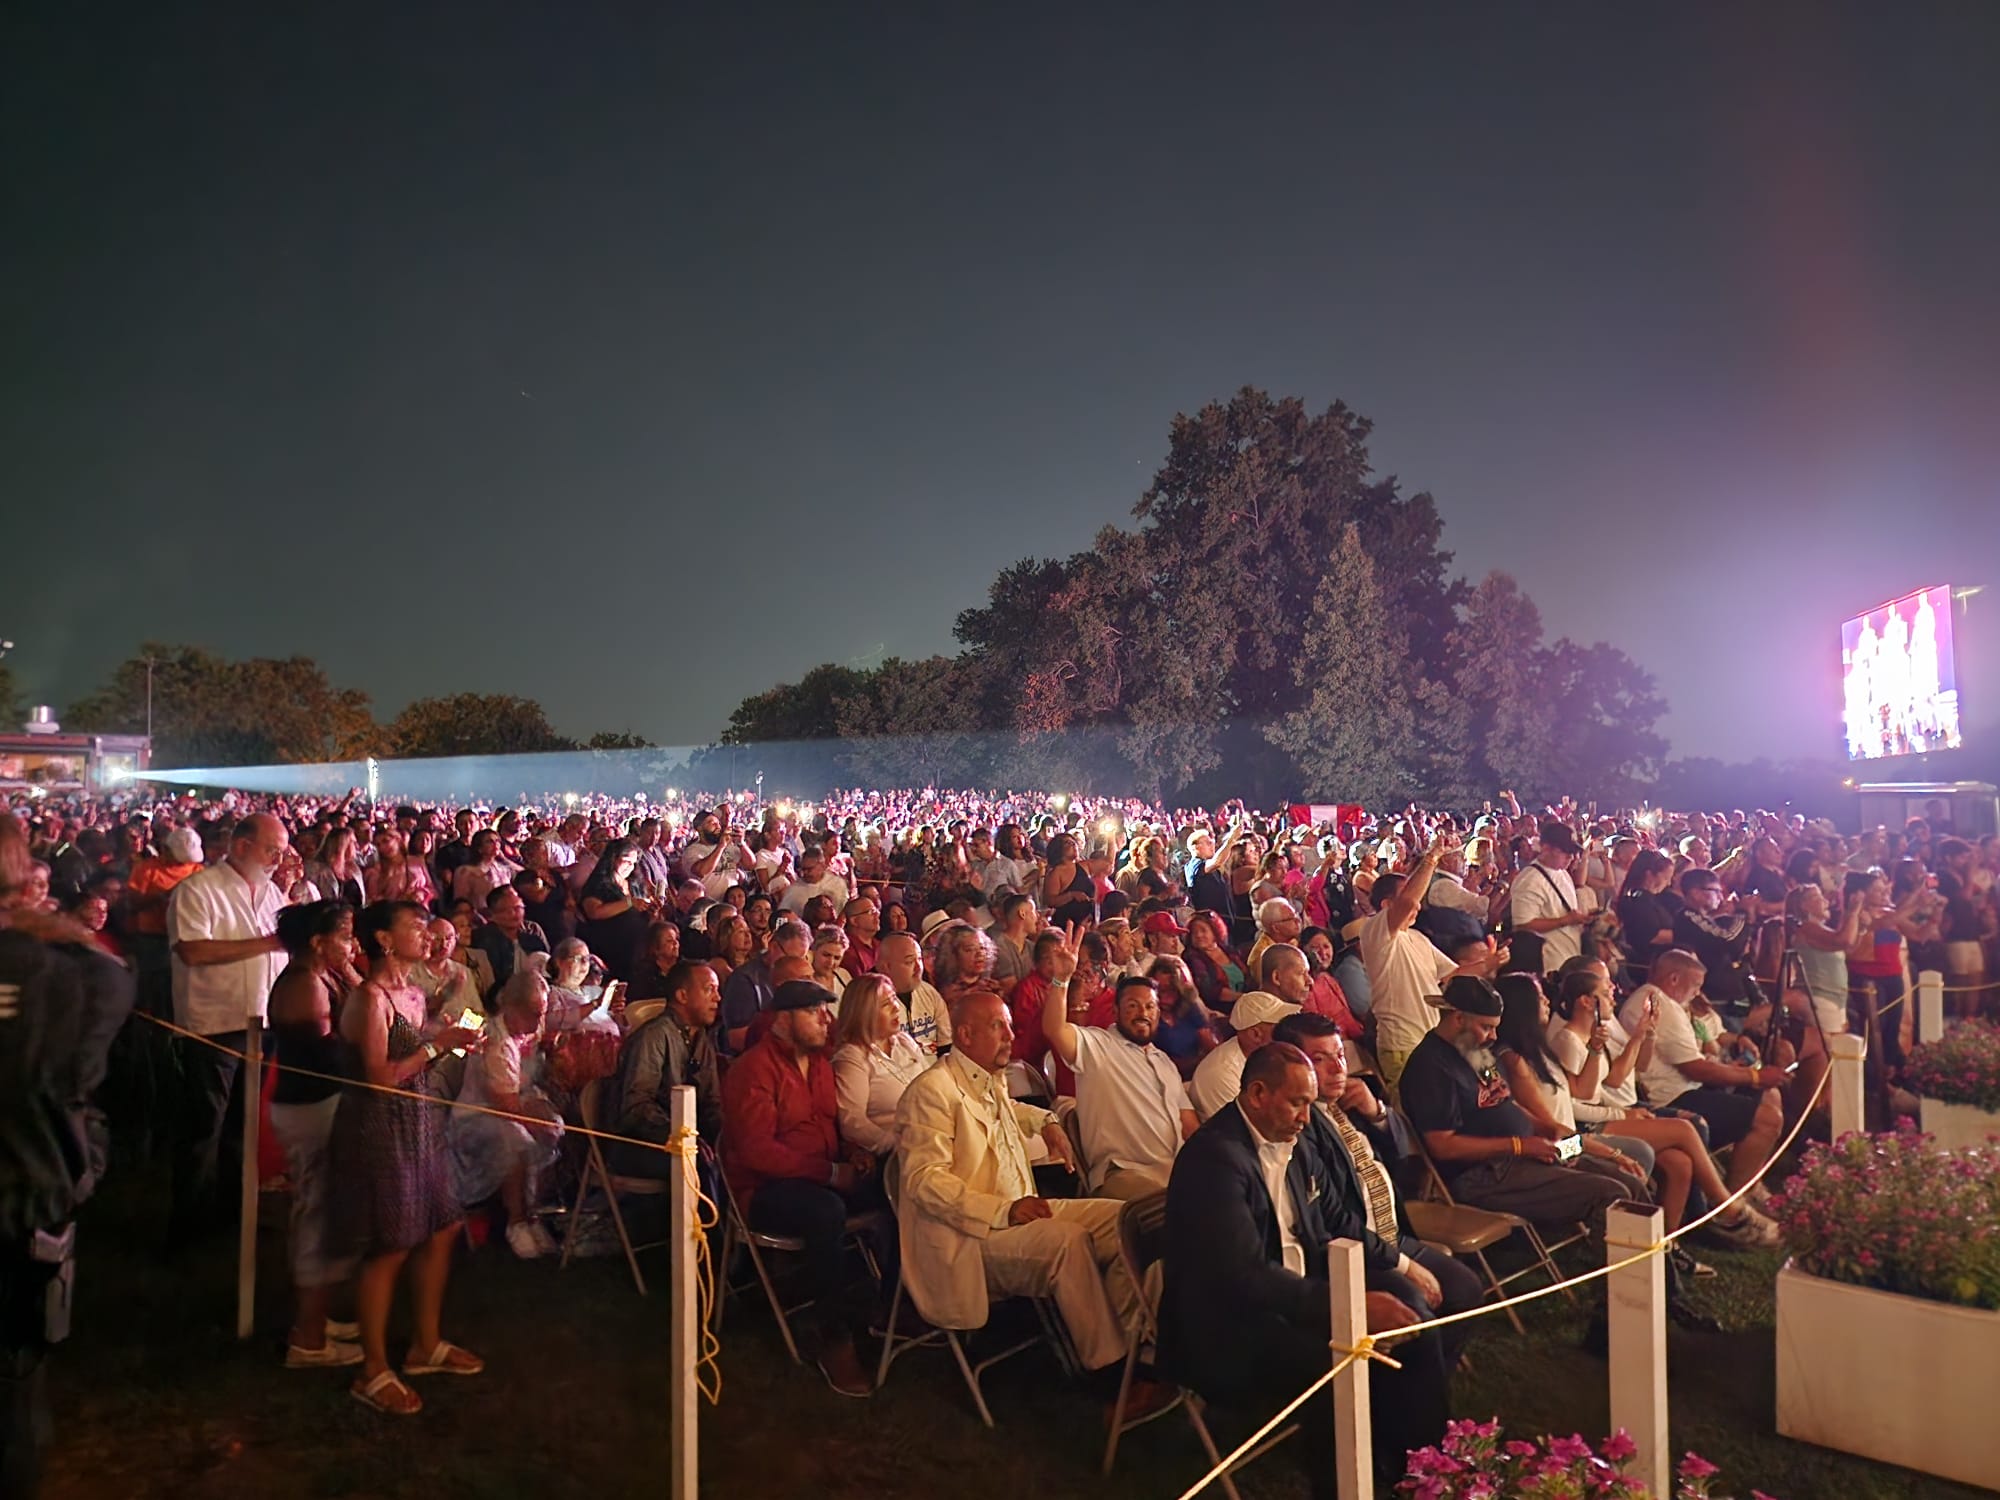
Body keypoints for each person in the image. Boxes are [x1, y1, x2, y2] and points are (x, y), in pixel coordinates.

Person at [1160, 1043, 1449, 1498]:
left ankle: (1426, 1470)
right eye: (1297, 1102)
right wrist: (1346, 1306)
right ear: (1257, 1094)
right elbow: (1242, 1276)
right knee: (1344, 1362)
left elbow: (1337, 1219)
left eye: (1310, 1104)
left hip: (1299, 1294)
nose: (1307, 1118)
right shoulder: (1214, 1160)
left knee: (1416, 1327)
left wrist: (1401, 1266)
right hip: (1234, 1325)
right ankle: (1348, 1485)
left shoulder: (1292, 1141)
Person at [894, 989, 1142, 1374]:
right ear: (964, 1035)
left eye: (1010, 1025)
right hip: (973, 1236)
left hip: (1020, 1209)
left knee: (1126, 1219)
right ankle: (1110, 1376)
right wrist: (1004, 1210)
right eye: (998, 1027)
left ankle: (1132, 1342)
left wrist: (1046, 1121)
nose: (1011, 1035)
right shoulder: (930, 1092)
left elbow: (1006, 1109)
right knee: (1067, 1241)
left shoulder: (986, 1075)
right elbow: (924, 1182)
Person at [0, 814, 134, 1497]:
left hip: (27, 1192)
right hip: (24, 1200)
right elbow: (111, 990)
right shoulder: (61, 971)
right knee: (15, 1401)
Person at [325, 901, 483, 1416]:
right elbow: (377, 1076)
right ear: (384, 941)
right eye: (415, 926)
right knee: (390, 1243)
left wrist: (454, 1043)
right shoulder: (370, 999)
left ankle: (425, 1345)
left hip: (416, 1122)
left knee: (442, 1226)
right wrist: (440, 1049)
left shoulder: (412, 993)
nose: (427, 933)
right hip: (378, 1125)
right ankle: (371, 1371)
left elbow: (419, 1054)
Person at [1272, 1011, 1484, 1357]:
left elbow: (1407, 1155)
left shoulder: (1352, 1101)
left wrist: (1378, 1114)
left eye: (1340, 1055)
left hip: (1393, 1232)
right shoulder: (1300, 1125)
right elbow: (1332, 1218)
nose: (1337, 1068)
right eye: (1320, 1060)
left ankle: (1433, 1375)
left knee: (1467, 1288)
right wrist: (1403, 1264)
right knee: (1414, 1314)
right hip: (1360, 1252)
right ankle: (1409, 1383)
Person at [720, 979, 876, 1396]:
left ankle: (891, 1306)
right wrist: (828, 1172)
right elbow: (757, 1153)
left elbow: (830, 1125)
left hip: (820, 1174)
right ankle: (833, 1336)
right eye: (814, 1012)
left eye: (825, 1010)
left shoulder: (820, 1063)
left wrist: (853, 1151)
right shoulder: (753, 1069)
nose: (826, 1020)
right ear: (783, 1020)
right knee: (826, 1212)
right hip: (765, 1189)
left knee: (895, 1184)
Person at [1397, 976, 1626, 1233]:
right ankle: (1620, 1269)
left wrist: (1547, 1127)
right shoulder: (1430, 1066)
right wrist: (1519, 1146)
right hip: (1484, 1174)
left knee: (1624, 1176)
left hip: (1532, 1149)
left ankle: (1661, 1262)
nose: (1493, 1036)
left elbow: (1504, 1103)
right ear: (1458, 1018)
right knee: (1611, 1193)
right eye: (1486, 1027)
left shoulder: (1472, 1048)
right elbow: (1443, 1146)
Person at [164, 813, 290, 1249]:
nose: (279, 858)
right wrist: (269, 944)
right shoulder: (197, 890)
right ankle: (187, 1225)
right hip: (215, 1026)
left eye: (281, 850)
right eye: (271, 849)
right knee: (204, 1128)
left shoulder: (273, 894)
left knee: (243, 1127)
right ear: (240, 846)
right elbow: (193, 951)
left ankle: (233, 1215)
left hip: (262, 1023)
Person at [265, 901, 364, 1369]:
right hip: (310, 1106)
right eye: (345, 936)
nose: (353, 944)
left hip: (322, 1103)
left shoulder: (325, 977)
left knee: (327, 1212)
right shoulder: (304, 984)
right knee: (317, 1216)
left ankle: (319, 1316)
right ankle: (307, 1337)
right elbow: (325, 1054)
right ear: (318, 942)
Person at [1618, 950, 1787, 1202]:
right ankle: (1731, 1202)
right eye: (1695, 985)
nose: (1698, 992)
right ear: (1674, 978)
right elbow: (1695, 1068)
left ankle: (1746, 1185)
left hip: (1677, 1092)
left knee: (1768, 1097)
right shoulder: (1657, 1002)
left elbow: (1700, 1052)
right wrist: (1754, 1076)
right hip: (1667, 1099)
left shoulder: (1664, 1004)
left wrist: (1751, 1074)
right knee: (1767, 1120)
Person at [1038, 937, 1197, 1201]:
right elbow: (1054, 1029)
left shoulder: (1164, 1063)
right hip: (1123, 1175)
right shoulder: (1098, 1046)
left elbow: (1190, 1125)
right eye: (1132, 1006)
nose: (1142, 1013)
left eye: (1149, 1007)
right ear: (1116, 1011)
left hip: (1175, 1172)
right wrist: (1061, 980)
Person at [450, 971, 564, 1259]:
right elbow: (505, 1105)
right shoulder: (495, 1041)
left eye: (542, 1014)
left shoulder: (528, 1027)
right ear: (510, 1008)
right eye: (533, 1015)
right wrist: (538, 1121)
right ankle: (516, 1222)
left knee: (554, 1126)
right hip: (476, 1117)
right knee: (516, 1140)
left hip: (514, 1104)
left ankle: (534, 1213)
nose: (539, 1023)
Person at [1360, 842, 1481, 1086]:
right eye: (1409, 894)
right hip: (1402, 1045)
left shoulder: (1417, 937)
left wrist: (1490, 962)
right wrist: (1432, 857)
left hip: (1430, 1040)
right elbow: (1408, 903)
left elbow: (1453, 973)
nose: (1418, 903)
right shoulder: (1375, 931)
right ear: (1386, 905)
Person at [607, 959, 724, 1175]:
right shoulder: (654, 1036)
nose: (718, 998)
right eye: (709, 990)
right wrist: (684, 1137)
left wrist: (725, 1136)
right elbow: (636, 1108)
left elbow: (712, 1102)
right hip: (639, 1144)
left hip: (686, 1135)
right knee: (697, 1163)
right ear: (682, 996)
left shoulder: (700, 1037)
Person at [830, 973, 933, 1156]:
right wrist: (897, 1144)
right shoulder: (853, 1057)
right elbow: (852, 1122)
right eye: (886, 1004)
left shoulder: (904, 1041)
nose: (896, 1008)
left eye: (894, 999)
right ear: (864, 1013)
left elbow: (932, 1086)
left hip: (930, 1134)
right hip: (898, 1152)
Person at [1188, 989, 1301, 1119]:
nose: (1287, 1032)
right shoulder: (1222, 1074)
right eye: (1280, 1026)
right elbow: (1250, 1129)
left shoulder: (1265, 1058)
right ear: (1255, 1034)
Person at [1510, 822, 1593, 976]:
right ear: (1546, 848)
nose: (1570, 857)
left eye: (1573, 852)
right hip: (1549, 965)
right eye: (1564, 851)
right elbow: (1522, 926)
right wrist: (1565, 920)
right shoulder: (1530, 880)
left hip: (1570, 957)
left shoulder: (1562, 873)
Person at [576, 837, 650, 983]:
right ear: (614, 858)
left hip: (639, 942)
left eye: (634, 863)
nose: (631, 867)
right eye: (627, 861)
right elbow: (594, 912)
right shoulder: (599, 884)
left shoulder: (634, 883)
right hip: (611, 944)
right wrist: (628, 903)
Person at [878, 931, 951, 1058]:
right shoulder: (872, 1000)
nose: (919, 968)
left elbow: (946, 1045)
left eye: (919, 959)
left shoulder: (929, 992)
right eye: (909, 962)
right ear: (886, 967)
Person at [470, 886, 549, 1001]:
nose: (514, 914)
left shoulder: (533, 934)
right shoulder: (483, 938)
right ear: (493, 914)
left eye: (518, 908)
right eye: (506, 910)